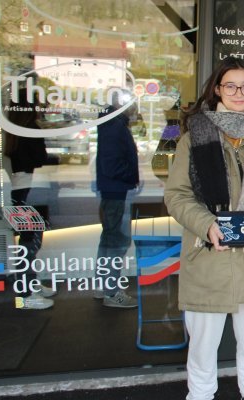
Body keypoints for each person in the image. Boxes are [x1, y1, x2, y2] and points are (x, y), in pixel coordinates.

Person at [164, 56, 244, 400]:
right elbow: (176, 196)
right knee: (203, 350)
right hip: (209, 260)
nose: (238, 92)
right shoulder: (194, 139)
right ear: (217, 89)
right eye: (230, 85)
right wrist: (207, 225)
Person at [3, 85, 55, 310]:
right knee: (30, 242)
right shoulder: (30, 129)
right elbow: (40, 157)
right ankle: (25, 294)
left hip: (18, 190)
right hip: (30, 189)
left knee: (26, 241)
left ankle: (29, 286)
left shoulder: (10, 130)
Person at [94, 89, 140, 308]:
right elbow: (111, 164)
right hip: (116, 191)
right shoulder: (114, 125)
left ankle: (103, 286)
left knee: (109, 239)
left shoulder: (111, 123)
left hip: (113, 190)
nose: (135, 107)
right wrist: (132, 176)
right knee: (116, 241)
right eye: (131, 103)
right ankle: (111, 292)